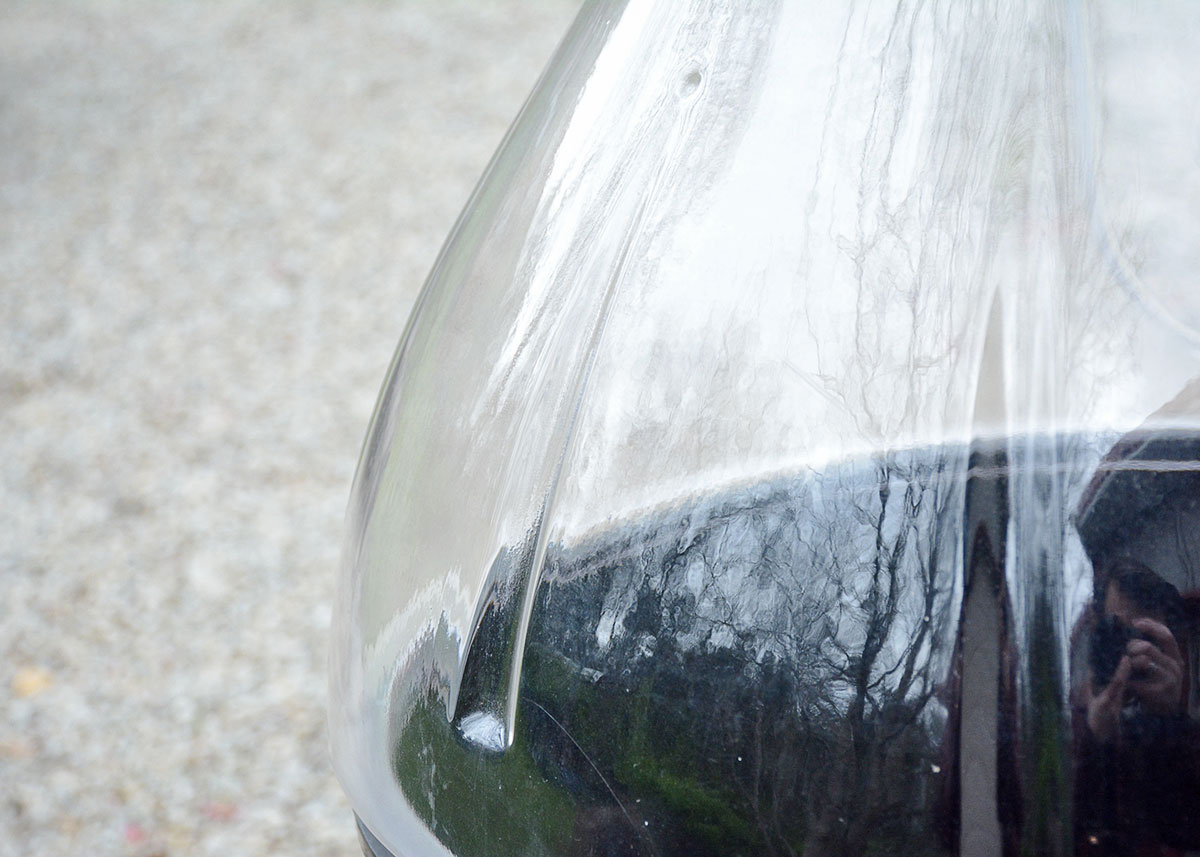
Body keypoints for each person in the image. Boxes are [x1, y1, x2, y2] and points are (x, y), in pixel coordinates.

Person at [1074, 558, 1200, 856]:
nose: (1132, 651)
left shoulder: (1176, 732)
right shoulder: (1058, 720)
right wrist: (1092, 738)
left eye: (1146, 639)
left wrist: (1170, 723)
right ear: (1095, 627)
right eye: (1118, 633)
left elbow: (1188, 833)